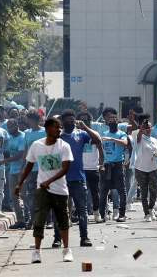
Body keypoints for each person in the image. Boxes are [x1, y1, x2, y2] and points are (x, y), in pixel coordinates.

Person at [14, 117, 73, 263]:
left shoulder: (64, 146)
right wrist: (20, 183)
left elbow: (65, 168)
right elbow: (29, 166)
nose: (59, 129)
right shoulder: (36, 145)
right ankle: (36, 252)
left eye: (60, 127)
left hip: (60, 190)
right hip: (42, 190)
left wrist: (50, 181)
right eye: (55, 127)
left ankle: (66, 250)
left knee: (63, 220)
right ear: (47, 129)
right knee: (39, 220)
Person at [51, 109, 102, 248]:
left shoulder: (82, 134)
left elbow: (97, 139)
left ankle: (84, 237)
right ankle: (57, 239)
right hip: (61, 180)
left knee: (82, 210)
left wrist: (85, 126)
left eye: (72, 120)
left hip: (78, 178)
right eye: (67, 120)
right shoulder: (58, 137)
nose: (70, 123)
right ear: (62, 122)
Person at [99, 107, 129, 223]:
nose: (112, 121)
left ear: (118, 122)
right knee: (103, 191)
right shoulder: (104, 134)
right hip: (106, 165)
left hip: (117, 165)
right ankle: (102, 215)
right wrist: (100, 164)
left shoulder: (121, 133)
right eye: (110, 119)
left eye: (114, 119)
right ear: (107, 122)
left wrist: (111, 139)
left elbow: (125, 143)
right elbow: (101, 150)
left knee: (121, 190)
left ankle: (122, 214)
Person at [132, 114, 157, 221]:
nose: (148, 129)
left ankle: (150, 209)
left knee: (153, 191)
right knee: (144, 192)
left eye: (149, 127)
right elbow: (138, 138)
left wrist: (156, 155)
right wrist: (141, 130)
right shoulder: (139, 138)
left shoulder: (154, 140)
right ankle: (146, 214)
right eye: (145, 127)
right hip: (141, 169)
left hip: (152, 168)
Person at [77, 111, 105, 223]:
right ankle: (82, 216)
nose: (84, 122)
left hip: (93, 168)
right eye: (81, 120)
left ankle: (96, 214)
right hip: (80, 169)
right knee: (81, 194)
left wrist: (101, 164)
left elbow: (100, 149)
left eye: (86, 120)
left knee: (95, 193)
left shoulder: (94, 133)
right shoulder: (76, 134)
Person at [22, 111, 47, 228]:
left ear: (34, 120)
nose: (27, 122)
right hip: (31, 169)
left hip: (44, 169)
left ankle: (48, 220)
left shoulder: (44, 132)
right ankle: (33, 220)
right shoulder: (27, 133)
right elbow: (26, 150)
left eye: (29, 119)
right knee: (31, 195)